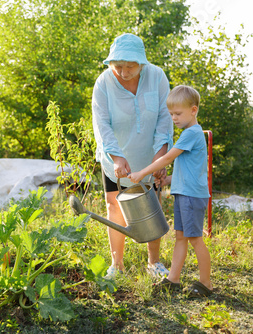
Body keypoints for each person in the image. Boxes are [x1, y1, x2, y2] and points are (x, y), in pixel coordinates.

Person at [92, 33, 174, 279]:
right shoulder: (103, 83)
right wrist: (116, 156)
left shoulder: (157, 77)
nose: (124, 72)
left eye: (130, 66)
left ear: (142, 63)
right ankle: (116, 266)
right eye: (118, 66)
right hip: (115, 157)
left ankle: (154, 263)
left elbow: (164, 117)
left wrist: (161, 157)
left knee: (153, 205)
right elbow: (101, 124)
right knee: (114, 205)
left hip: (149, 156)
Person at [128, 85, 213, 297]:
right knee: (181, 238)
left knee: (195, 239)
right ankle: (173, 279)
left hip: (192, 197)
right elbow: (189, 171)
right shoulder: (189, 134)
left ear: (193, 110)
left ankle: (206, 284)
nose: (174, 118)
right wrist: (166, 180)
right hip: (185, 194)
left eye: (178, 113)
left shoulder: (191, 134)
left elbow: (167, 158)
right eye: (171, 114)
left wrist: (141, 173)